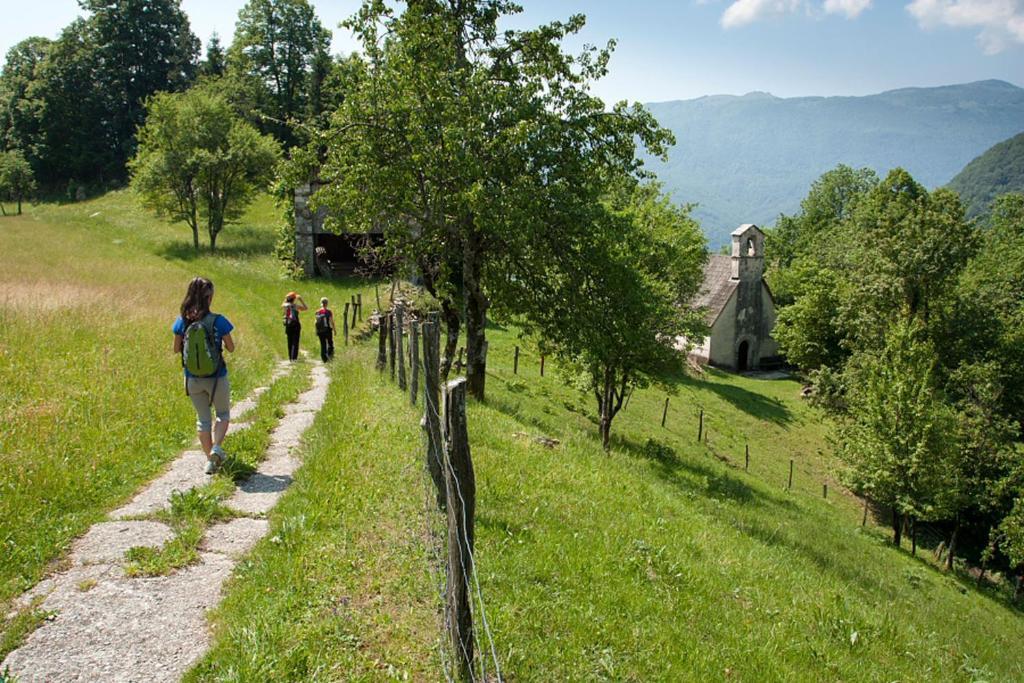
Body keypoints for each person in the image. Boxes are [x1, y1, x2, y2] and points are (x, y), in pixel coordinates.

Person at [172, 277, 235, 474]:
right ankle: (216, 448)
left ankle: (210, 461)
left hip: (192, 379)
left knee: (203, 420)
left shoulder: (182, 321)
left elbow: (176, 349)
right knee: (223, 415)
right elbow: (231, 348)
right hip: (217, 377)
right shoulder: (219, 320)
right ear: (209, 297)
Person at [282, 291, 307, 361]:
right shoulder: (296, 306)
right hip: (296, 324)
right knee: (295, 342)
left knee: (289, 341)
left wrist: (287, 298)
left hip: (288, 324)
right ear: (294, 299)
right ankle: (294, 359)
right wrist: (300, 299)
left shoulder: (285, 306)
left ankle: (290, 358)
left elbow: (283, 304)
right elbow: (306, 308)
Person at [314, 297, 336, 362]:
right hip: (328, 330)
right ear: (327, 303)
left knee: (323, 344)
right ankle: (330, 357)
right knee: (330, 343)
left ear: (321, 303)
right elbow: (331, 321)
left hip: (320, 331)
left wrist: (316, 331)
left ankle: (324, 359)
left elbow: (315, 322)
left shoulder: (318, 312)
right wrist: (334, 330)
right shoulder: (328, 312)